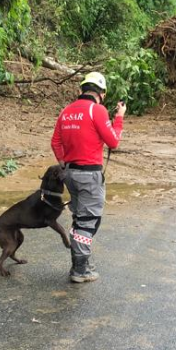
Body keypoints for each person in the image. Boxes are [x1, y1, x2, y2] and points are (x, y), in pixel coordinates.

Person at [50, 72, 126, 283]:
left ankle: (81, 262)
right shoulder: (97, 110)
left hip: (70, 174)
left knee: (80, 217)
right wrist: (118, 119)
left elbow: (55, 142)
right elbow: (113, 142)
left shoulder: (66, 111)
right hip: (89, 174)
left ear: (81, 90)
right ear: (101, 93)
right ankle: (80, 268)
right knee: (88, 221)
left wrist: (65, 164)